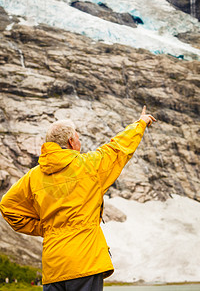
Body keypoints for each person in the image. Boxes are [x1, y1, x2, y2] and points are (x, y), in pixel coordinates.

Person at [0, 105, 156, 291]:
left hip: (53, 267)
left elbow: (7, 206)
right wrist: (141, 123)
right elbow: (119, 147)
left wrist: (46, 229)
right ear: (72, 142)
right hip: (86, 263)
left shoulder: (33, 177)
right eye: (78, 139)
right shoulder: (89, 165)